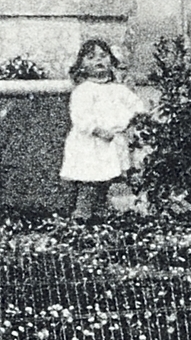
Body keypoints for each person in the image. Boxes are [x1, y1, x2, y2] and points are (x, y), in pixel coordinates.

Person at [59, 38, 152, 222]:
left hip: (111, 142)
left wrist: (137, 120)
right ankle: (82, 214)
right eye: (91, 57)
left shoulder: (117, 90)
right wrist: (97, 130)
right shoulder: (84, 91)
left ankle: (100, 211)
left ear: (112, 61)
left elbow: (136, 106)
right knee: (90, 180)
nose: (98, 61)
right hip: (90, 143)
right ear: (82, 65)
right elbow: (80, 117)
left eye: (103, 56)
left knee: (106, 179)